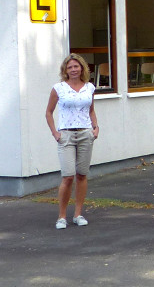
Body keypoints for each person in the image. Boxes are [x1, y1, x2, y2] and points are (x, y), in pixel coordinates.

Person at [45, 53, 100, 230]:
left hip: (85, 134)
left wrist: (95, 127)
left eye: (76, 66)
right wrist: (55, 133)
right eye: (70, 67)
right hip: (66, 135)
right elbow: (49, 112)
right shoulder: (59, 88)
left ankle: (78, 214)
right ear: (65, 71)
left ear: (82, 68)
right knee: (68, 176)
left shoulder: (89, 88)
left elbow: (91, 110)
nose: (74, 69)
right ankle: (62, 216)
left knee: (82, 175)